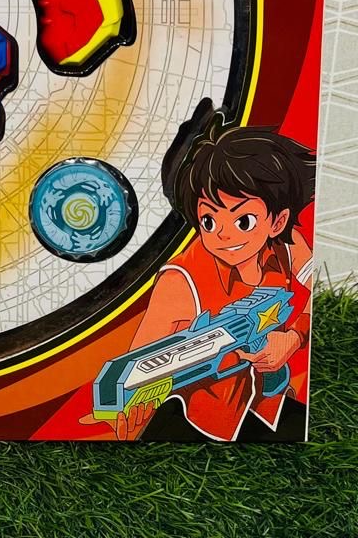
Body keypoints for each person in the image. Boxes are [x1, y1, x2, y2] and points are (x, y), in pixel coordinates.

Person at [115, 101, 315, 442]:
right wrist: (131, 410)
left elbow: (314, 295)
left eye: (243, 221)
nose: (223, 235)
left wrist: (292, 338)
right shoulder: (182, 281)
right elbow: (137, 367)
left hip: (272, 409)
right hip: (205, 426)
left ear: (277, 221)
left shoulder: (287, 243)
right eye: (209, 220)